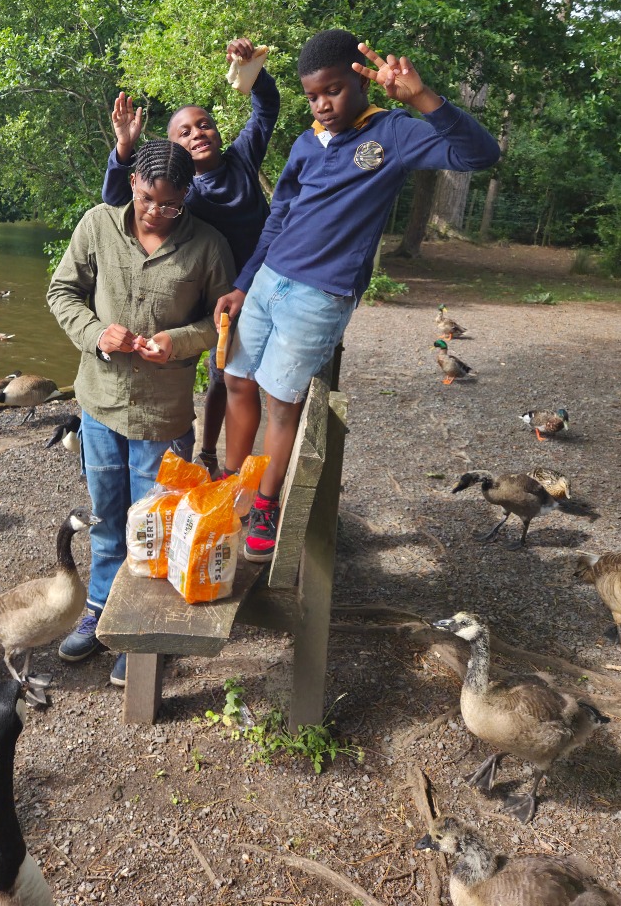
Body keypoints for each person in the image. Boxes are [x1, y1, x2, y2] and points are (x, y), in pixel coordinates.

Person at [215, 29, 502, 562]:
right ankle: (230, 483)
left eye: (334, 90)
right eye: (313, 95)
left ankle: (265, 505)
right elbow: (279, 217)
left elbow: (480, 156)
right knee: (236, 380)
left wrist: (420, 98)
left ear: (360, 80)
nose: (323, 105)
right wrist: (243, 282)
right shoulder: (305, 143)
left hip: (320, 295)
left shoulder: (392, 133)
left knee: (281, 402)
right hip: (268, 282)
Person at [47, 139, 235, 687]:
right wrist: (95, 334)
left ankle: (145, 633)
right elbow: (62, 292)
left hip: (164, 415)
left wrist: (176, 342)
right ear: (132, 183)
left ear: (186, 198)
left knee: (157, 529)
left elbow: (223, 320)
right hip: (99, 405)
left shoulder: (208, 245)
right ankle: (101, 610)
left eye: (172, 205)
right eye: (151, 199)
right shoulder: (97, 225)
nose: (159, 213)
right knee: (107, 519)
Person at [102, 38, 280, 477]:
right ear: (173, 149)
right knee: (197, 366)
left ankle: (219, 457)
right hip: (203, 291)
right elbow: (114, 198)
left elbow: (267, 108)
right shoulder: (183, 193)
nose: (198, 133)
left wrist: (251, 71)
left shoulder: (241, 159)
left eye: (204, 125)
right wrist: (124, 149)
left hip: (253, 288)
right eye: (184, 132)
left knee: (234, 377)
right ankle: (194, 448)